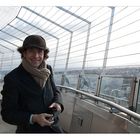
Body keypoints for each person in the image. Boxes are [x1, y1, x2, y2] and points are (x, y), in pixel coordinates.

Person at [0, 35, 64, 133]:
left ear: (44, 54)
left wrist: (58, 103)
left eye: (40, 51)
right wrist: (33, 118)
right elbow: (7, 114)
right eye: (31, 51)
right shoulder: (13, 78)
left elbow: (56, 91)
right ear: (24, 53)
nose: (36, 56)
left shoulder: (48, 69)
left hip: (54, 129)